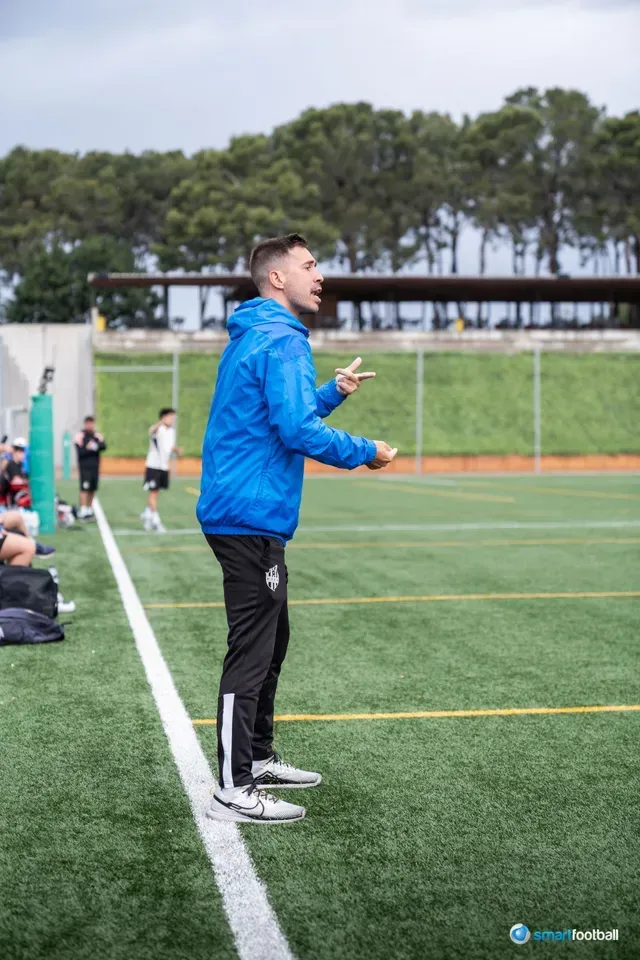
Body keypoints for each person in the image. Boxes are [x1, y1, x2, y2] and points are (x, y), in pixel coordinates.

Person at [197, 233, 397, 824]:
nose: (321, 276)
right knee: (252, 651)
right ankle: (234, 788)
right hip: (248, 515)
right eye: (310, 266)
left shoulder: (260, 334)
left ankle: (257, 759)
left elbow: (282, 416)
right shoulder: (281, 341)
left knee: (272, 640)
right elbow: (296, 433)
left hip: (245, 509)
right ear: (277, 278)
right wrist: (369, 451)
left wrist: (332, 393)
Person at [140, 408, 182, 533]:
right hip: (153, 466)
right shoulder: (158, 429)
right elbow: (152, 431)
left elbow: (170, 446)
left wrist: (177, 450)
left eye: (173, 417)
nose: (172, 419)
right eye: (170, 417)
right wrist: (161, 422)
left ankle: (147, 515)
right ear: (163, 417)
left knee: (156, 493)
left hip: (164, 467)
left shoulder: (172, 431)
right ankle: (156, 521)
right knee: (153, 493)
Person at [74, 416, 106, 520]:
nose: (90, 426)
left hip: (95, 467)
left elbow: (103, 446)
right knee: (84, 488)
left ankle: (89, 508)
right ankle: (83, 509)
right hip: (85, 467)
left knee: (92, 488)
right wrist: (89, 448)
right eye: (88, 423)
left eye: (92, 423)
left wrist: (94, 446)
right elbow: (80, 451)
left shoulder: (97, 436)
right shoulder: (80, 436)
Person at [0, 439, 31, 508]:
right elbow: (17, 482)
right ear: (14, 451)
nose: (23, 454)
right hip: (8, 503)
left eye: (24, 451)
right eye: (21, 451)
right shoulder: (11, 463)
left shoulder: (20, 465)